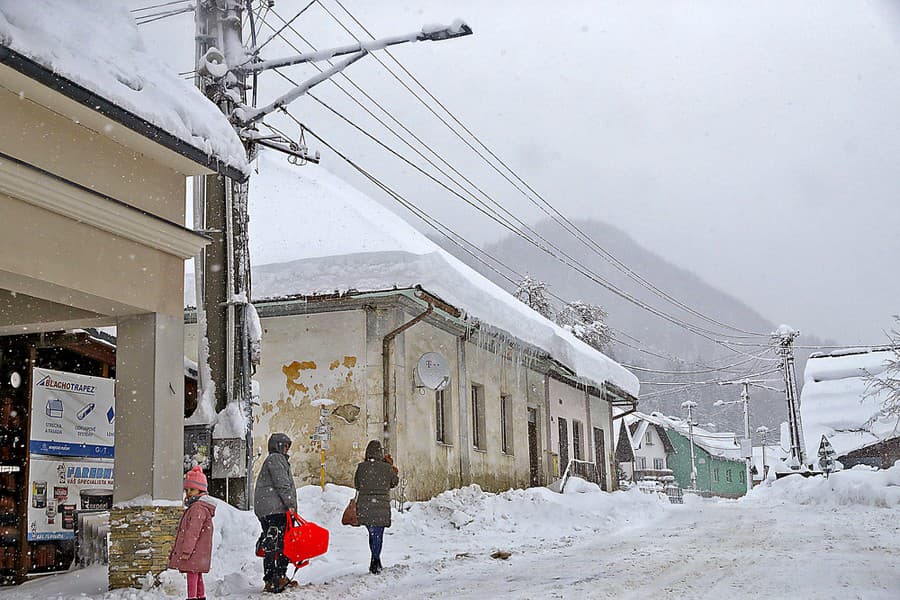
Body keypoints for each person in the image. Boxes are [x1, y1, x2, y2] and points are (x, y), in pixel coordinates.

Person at [254, 432, 298, 593]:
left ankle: (272, 578)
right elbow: (282, 484)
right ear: (279, 446)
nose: (287, 449)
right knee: (282, 543)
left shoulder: (273, 460)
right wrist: (291, 504)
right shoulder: (276, 459)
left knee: (271, 543)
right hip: (276, 509)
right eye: (285, 445)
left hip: (267, 509)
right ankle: (277, 577)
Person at [168, 465, 216, 600]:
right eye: (187, 490)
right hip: (199, 551)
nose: (188, 492)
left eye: (192, 489)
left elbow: (192, 532)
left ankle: (192, 597)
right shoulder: (198, 507)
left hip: (194, 551)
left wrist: (186, 550)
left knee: (192, 576)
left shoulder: (197, 508)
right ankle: (200, 596)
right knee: (197, 574)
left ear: (201, 490)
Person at [354, 440, 399, 574]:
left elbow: (357, 485)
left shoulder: (361, 467)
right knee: (378, 533)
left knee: (372, 533)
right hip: (381, 505)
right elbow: (394, 482)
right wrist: (391, 469)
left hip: (365, 506)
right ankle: (375, 560)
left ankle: (375, 559)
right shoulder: (386, 468)